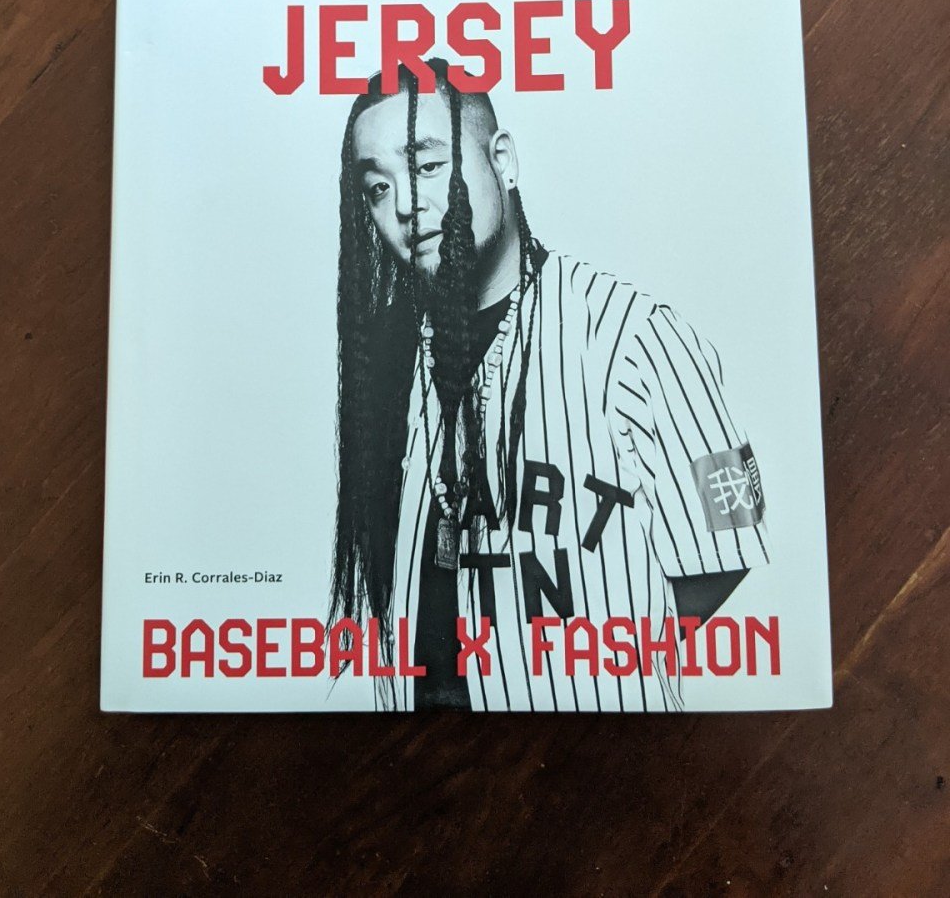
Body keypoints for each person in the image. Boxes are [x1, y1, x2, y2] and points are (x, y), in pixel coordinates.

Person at [329, 58, 768, 711]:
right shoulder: (394, 360)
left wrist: (597, 673)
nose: (404, 205)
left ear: (502, 160)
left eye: (428, 165)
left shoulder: (635, 333)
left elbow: (731, 533)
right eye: (377, 187)